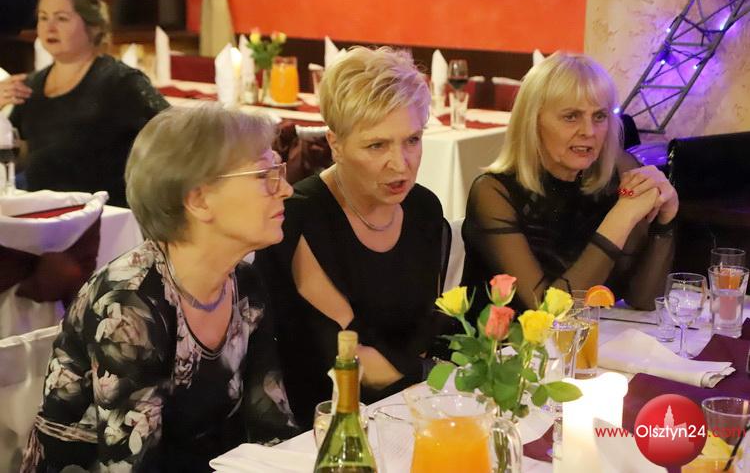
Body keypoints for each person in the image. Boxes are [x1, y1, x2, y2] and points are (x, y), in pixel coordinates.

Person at [22, 105, 297, 472]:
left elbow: (271, 425)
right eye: (264, 175)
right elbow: (129, 464)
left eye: (278, 170)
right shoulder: (130, 304)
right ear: (199, 200)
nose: (287, 189)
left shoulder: (243, 282)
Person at [255, 46, 447, 427]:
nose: (401, 163)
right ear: (335, 144)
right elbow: (350, 361)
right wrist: (430, 367)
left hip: (410, 413)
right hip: (323, 426)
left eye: (412, 140)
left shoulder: (424, 209)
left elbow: (424, 333)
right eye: (377, 145)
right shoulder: (298, 218)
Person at [462, 52, 678, 314]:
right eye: (571, 116)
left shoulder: (618, 172)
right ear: (533, 121)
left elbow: (643, 300)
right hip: (503, 340)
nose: (589, 131)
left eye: (599, 116)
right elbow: (548, 314)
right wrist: (620, 218)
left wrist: (665, 222)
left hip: (589, 336)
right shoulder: (493, 193)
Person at [1, 0, 168, 206]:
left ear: (93, 26)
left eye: (61, 18)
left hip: (107, 215)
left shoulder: (120, 81)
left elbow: (175, 133)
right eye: (43, 17)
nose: (49, 27)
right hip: (45, 215)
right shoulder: (32, 85)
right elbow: (18, 158)